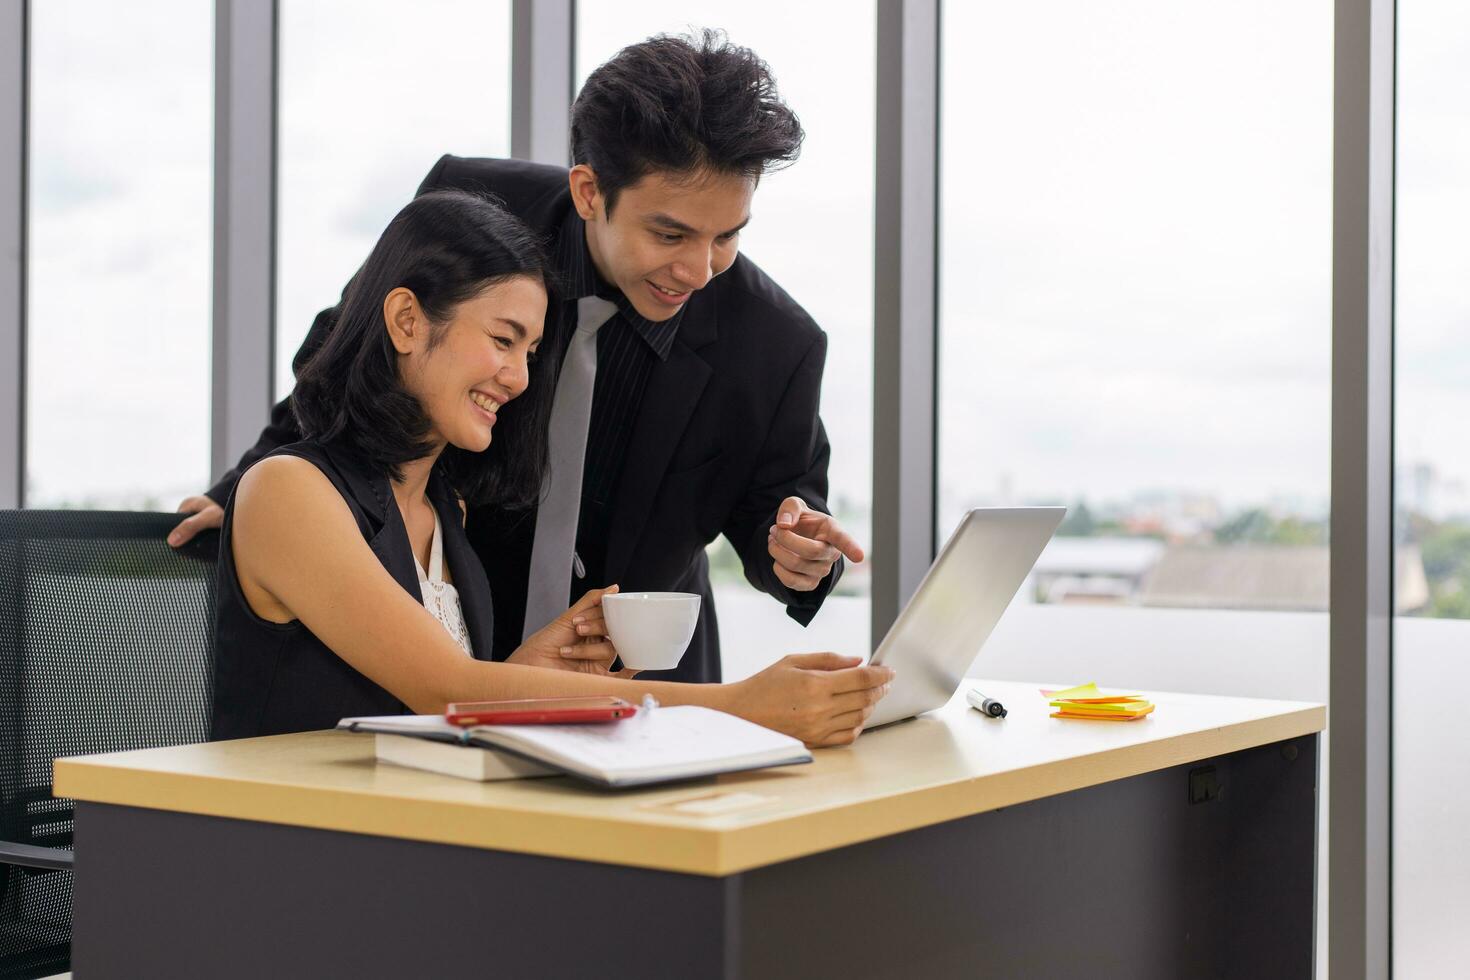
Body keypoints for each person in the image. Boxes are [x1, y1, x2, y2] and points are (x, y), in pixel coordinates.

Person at [174, 30, 863, 686]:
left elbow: (780, 506)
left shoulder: (775, 340)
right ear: (590, 191)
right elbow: (356, 351)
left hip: (648, 685)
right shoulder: (475, 208)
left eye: (727, 237)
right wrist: (249, 486)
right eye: (670, 233)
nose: (699, 269)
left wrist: (796, 553)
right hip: (453, 645)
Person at [212, 189, 892, 747]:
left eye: (532, 352)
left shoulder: (444, 510)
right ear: (407, 322)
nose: (518, 378)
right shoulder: (288, 490)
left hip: (406, 839)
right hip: (297, 853)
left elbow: (427, 710)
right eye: (504, 340)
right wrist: (737, 705)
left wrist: (526, 670)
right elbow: (444, 688)